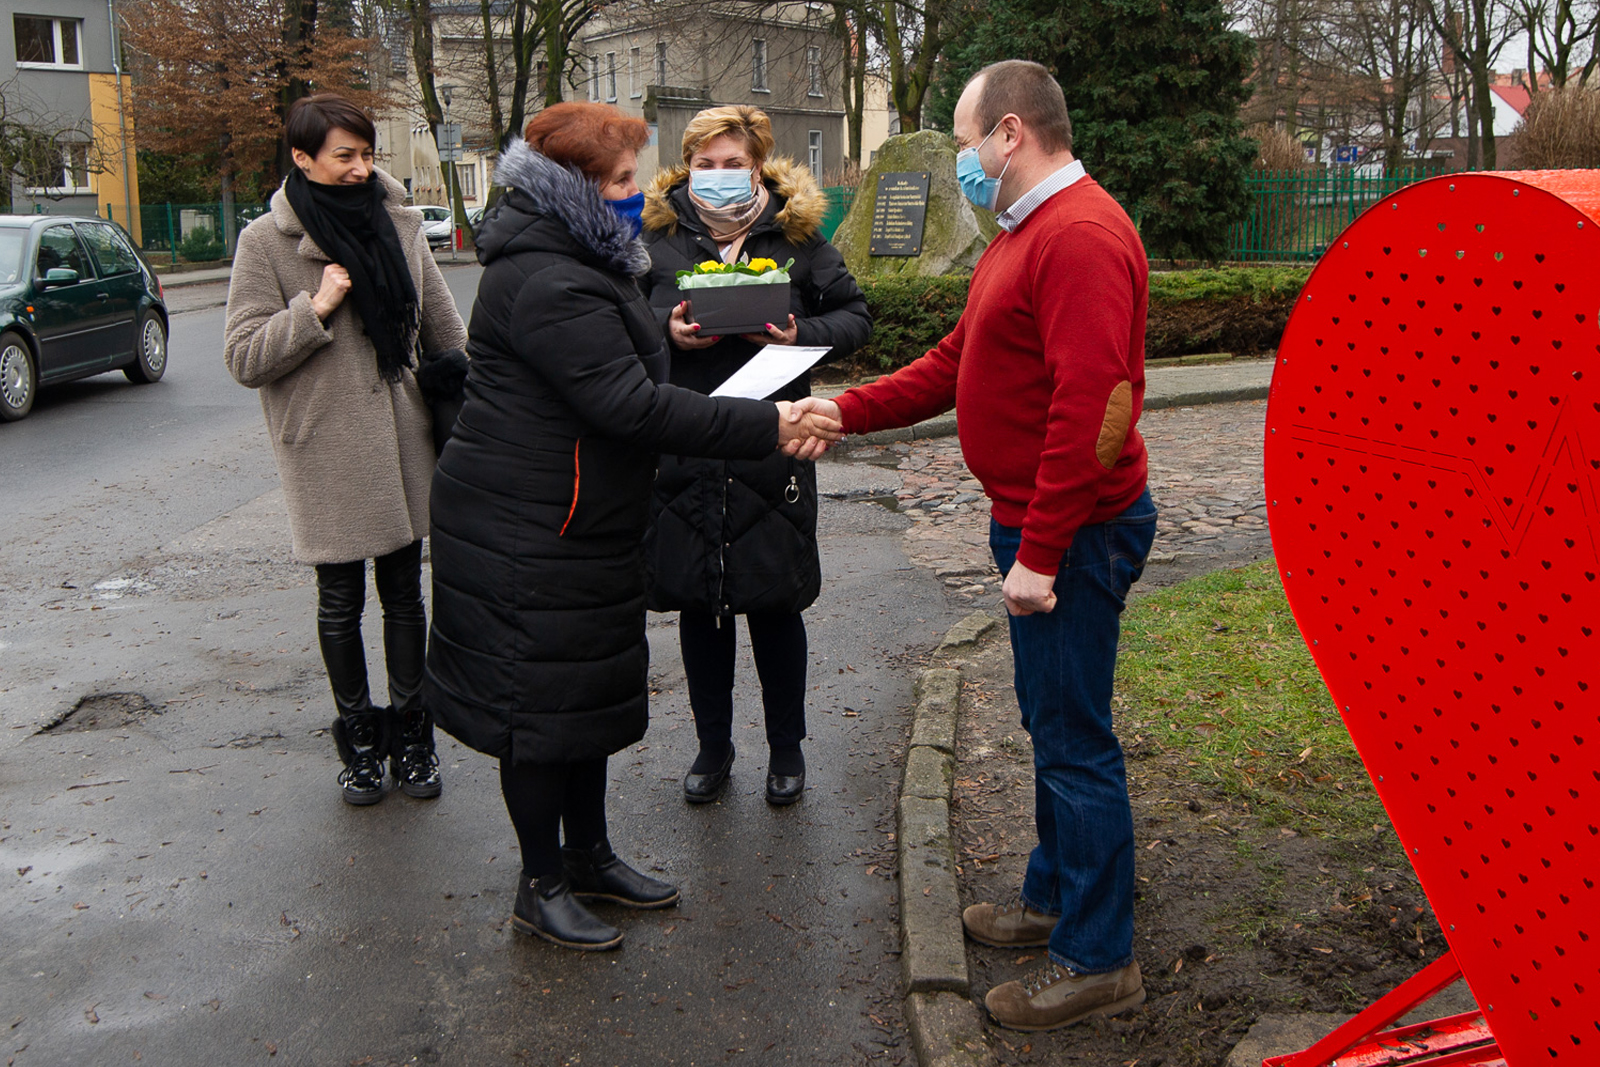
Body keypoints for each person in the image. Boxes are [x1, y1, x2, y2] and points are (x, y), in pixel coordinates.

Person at [422, 102, 840, 952]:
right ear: (573, 187)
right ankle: (539, 884)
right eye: (619, 180)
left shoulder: (584, 252)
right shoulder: (548, 275)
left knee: (582, 693)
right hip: (526, 524)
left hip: (582, 514)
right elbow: (631, 404)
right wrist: (771, 424)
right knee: (536, 707)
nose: (634, 194)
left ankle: (589, 856)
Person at [792, 60, 1157, 1031]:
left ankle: (1097, 956)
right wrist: (846, 408)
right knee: (1050, 720)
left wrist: (1038, 550)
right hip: (1040, 524)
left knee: (1074, 738)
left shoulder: (1078, 235)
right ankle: (1053, 896)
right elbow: (959, 361)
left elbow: (1098, 411)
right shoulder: (1022, 232)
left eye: (963, 138)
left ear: (1007, 133)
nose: (958, 158)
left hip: (1074, 532)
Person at [224, 93, 467, 806]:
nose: (363, 168)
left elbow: (446, 335)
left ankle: (414, 739)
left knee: (402, 591)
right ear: (303, 158)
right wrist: (316, 306)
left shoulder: (400, 223)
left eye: (368, 155)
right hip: (323, 444)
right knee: (339, 596)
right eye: (345, 156)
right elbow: (243, 356)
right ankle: (360, 743)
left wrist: (467, 396)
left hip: (400, 438)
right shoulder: (264, 244)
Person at [638, 106, 872, 807]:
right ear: (686, 168)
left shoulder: (798, 237)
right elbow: (617, 317)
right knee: (699, 604)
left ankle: (787, 749)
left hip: (778, 435)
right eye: (704, 164)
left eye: (731, 162)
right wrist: (666, 332)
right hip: (687, 438)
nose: (717, 176)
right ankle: (713, 747)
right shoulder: (656, 237)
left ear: (759, 164)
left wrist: (802, 330)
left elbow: (856, 317)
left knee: (774, 602)